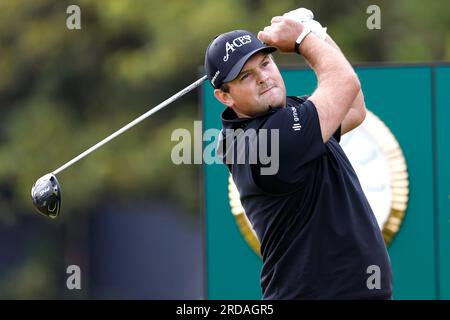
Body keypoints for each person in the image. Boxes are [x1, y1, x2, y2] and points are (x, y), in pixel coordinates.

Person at [204, 9, 393, 300]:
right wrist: (304, 37)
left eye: (266, 63)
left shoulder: (283, 118)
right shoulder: (266, 141)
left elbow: (353, 108)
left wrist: (315, 32)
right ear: (225, 96)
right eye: (246, 76)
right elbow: (344, 83)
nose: (263, 78)